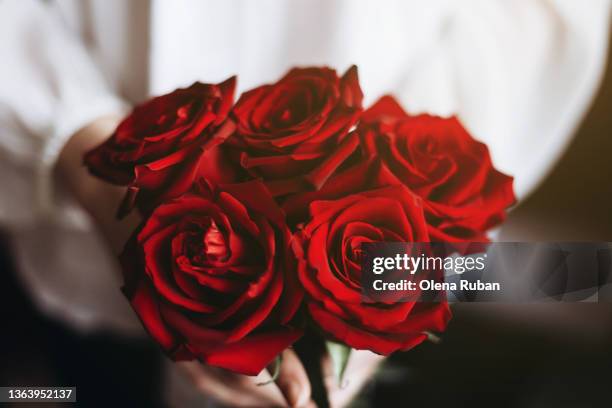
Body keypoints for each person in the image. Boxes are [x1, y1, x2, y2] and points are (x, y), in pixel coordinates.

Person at [0, 1, 610, 406]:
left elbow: (538, 15)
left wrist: (399, 231)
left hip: (387, 244)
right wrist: (83, 144)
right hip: (68, 232)